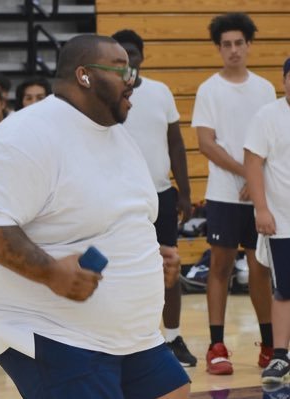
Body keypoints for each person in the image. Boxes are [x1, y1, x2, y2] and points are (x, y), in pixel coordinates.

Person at [0, 34, 190, 399]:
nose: (133, 79)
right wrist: (50, 272)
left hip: (126, 334)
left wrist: (148, 257)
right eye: (122, 69)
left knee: (173, 390)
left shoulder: (117, 136)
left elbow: (114, 218)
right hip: (53, 329)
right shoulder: (29, 132)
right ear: (84, 75)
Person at [192, 12, 275, 375]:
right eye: (226, 44)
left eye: (239, 43)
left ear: (249, 45)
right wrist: (248, 172)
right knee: (221, 268)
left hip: (259, 197)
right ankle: (216, 345)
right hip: (224, 194)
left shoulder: (265, 89)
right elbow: (206, 144)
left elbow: (272, 142)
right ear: (219, 49)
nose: (233, 50)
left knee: (260, 270)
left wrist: (258, 181)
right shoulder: (209, 89)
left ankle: (270, 344)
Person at [111, 29, 196, 368]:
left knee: (169, 266)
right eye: (121, 54)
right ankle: (129, 342)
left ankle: (173, 336)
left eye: (133, 52)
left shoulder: (160, 92)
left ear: (142, 56)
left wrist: (186, 193)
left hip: (162, 194)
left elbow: (176, 143)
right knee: (124, 271)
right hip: (122, 200)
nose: (129, 59)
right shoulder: (108, 96)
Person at [244, 57, 290, 384]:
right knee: (285, 291)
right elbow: (253, 162)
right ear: (284, 80)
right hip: (283, 223)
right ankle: (280, 356)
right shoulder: (268, 117)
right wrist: (261, 208)